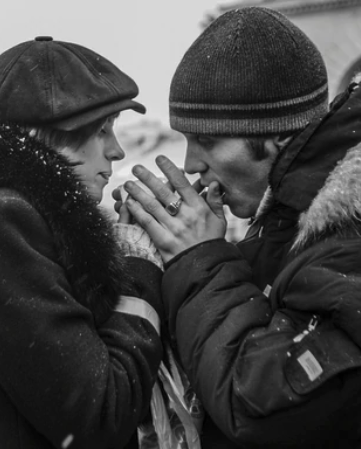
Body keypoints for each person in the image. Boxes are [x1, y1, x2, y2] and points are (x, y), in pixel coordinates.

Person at [118, 7, 361, 448]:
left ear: (278, 136)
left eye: (208, 141)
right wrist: (151, 265)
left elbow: (262, 406)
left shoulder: (349, 230)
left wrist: (200, 259)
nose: (191, 164)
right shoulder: (287, 217)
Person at [0, 36, 164, 448]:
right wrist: (138, 266)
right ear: (41, 136)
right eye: (102, 130)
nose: (116, 150)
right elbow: (98, 415)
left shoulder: (1, 215)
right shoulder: (3, 221)